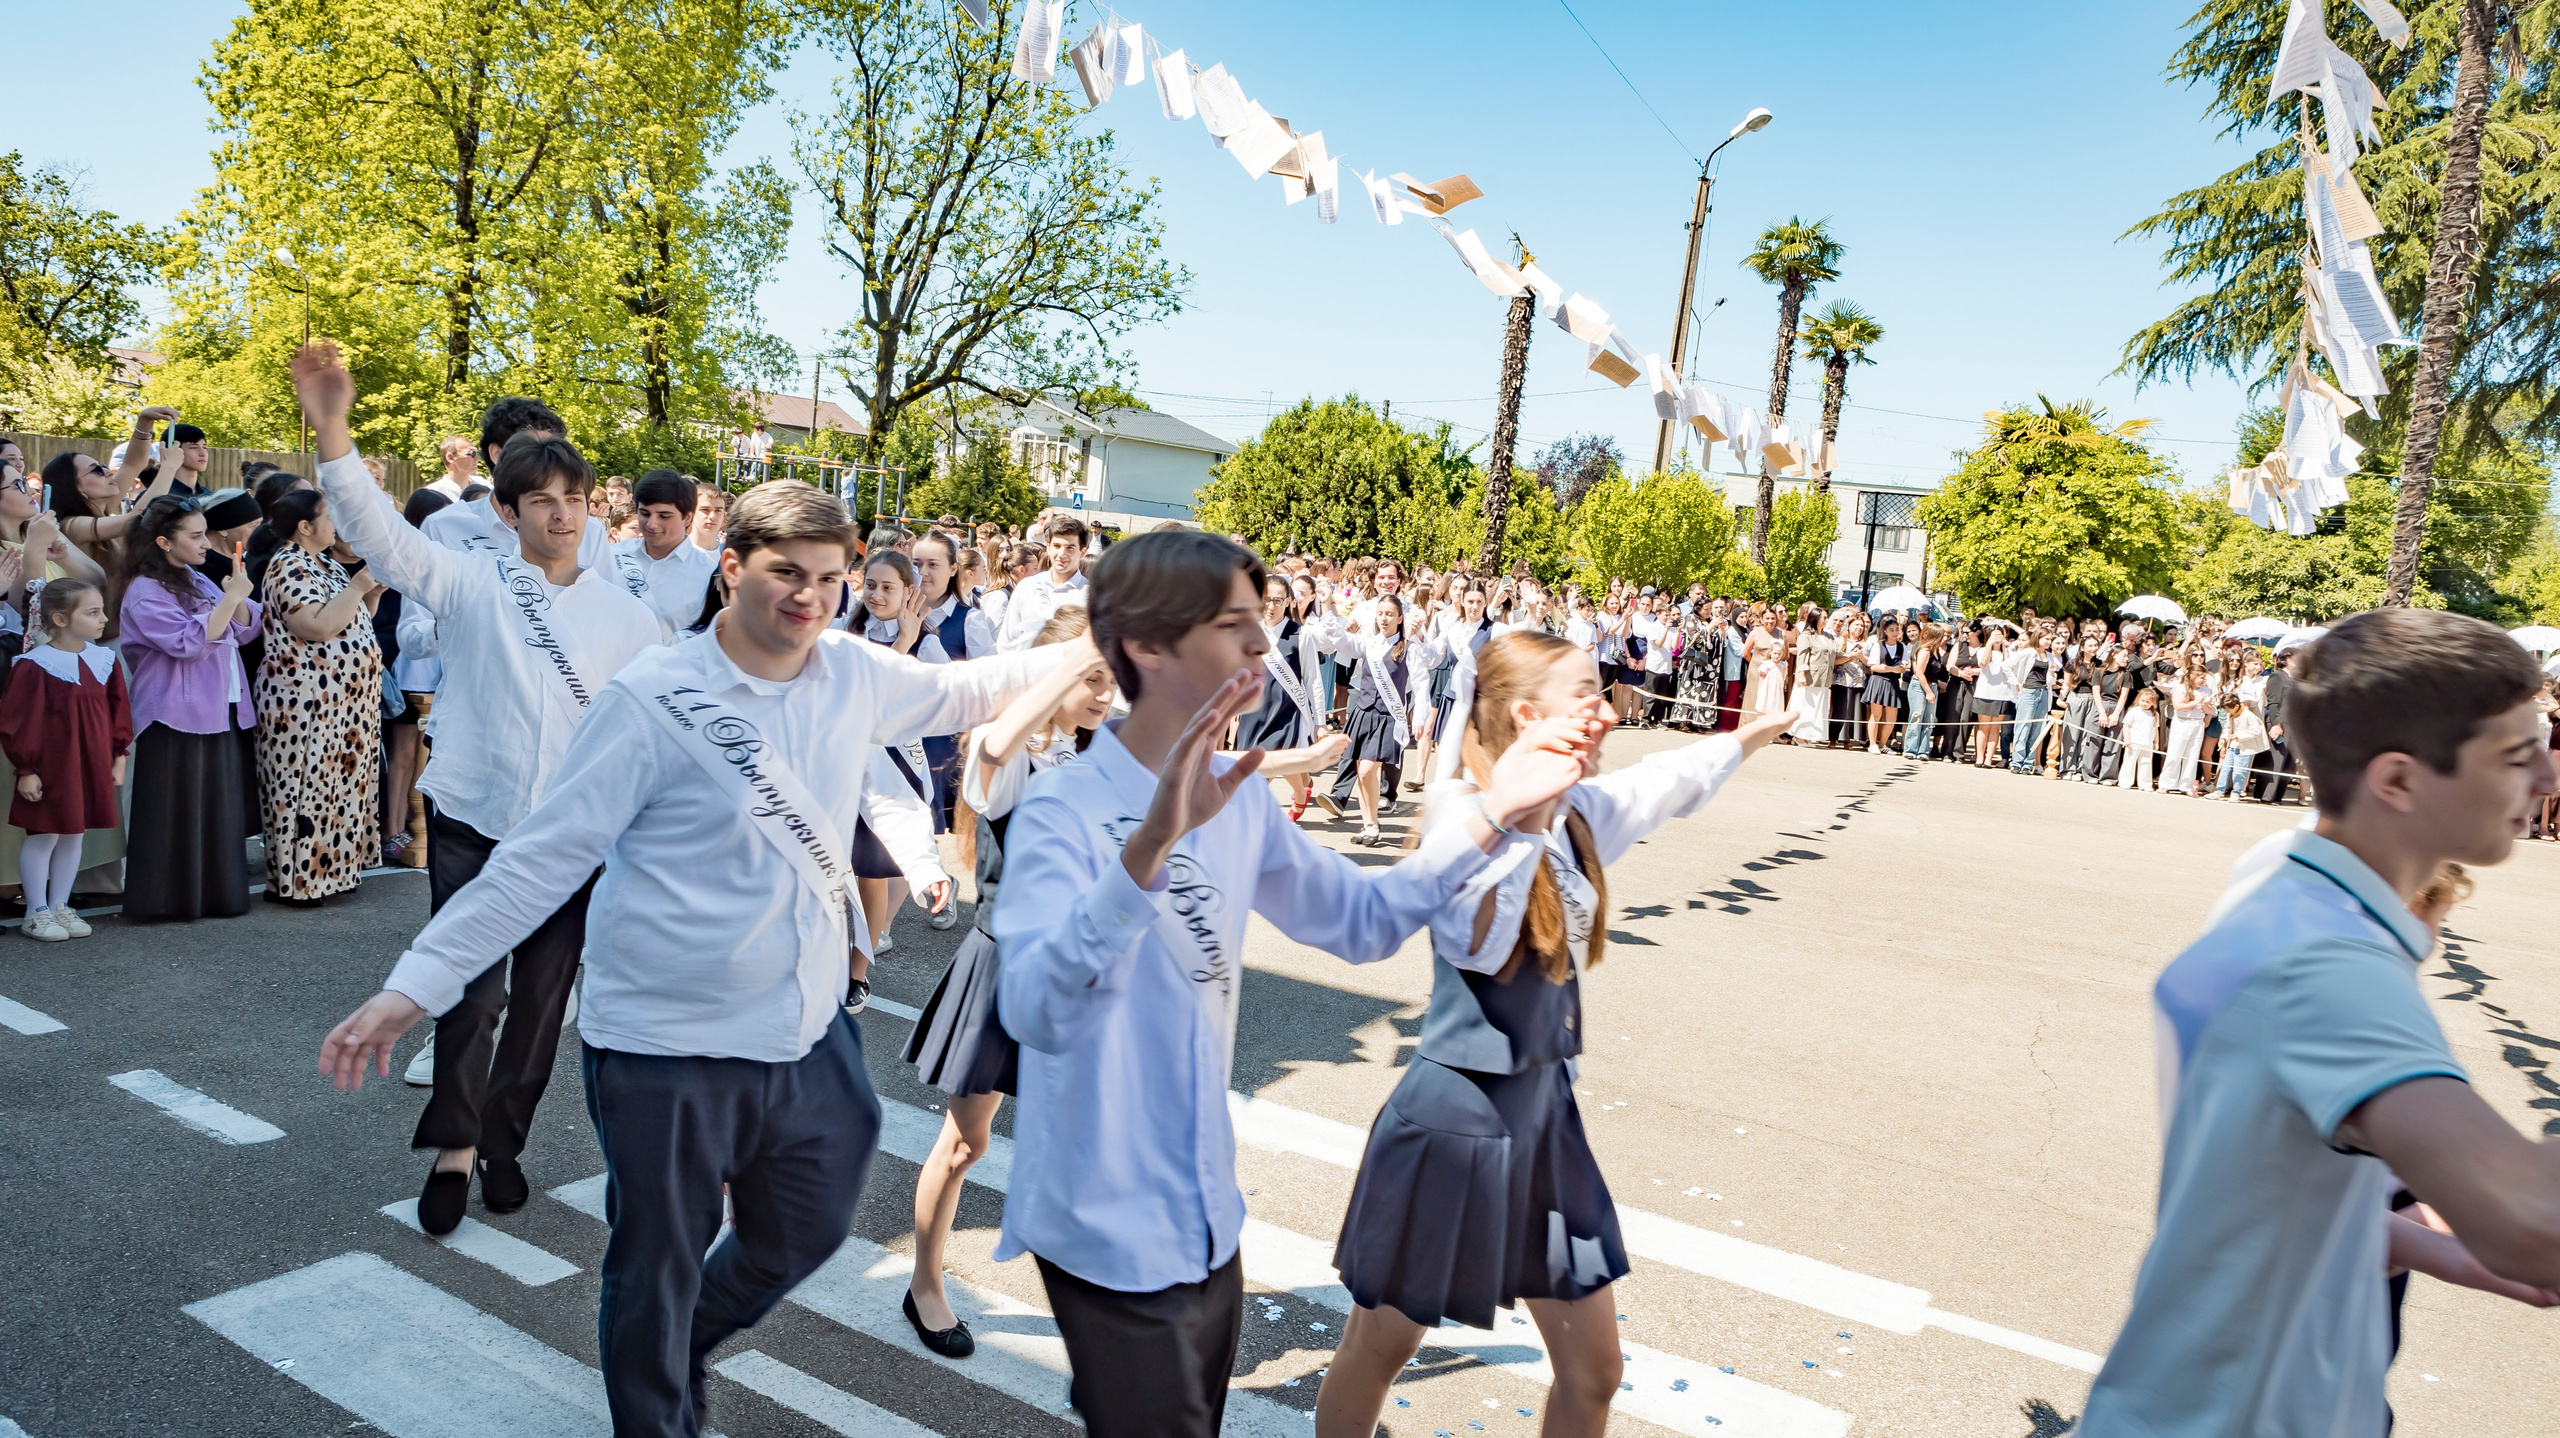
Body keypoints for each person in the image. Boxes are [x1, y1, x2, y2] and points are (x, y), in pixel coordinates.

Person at [320, 476, 1079, 1437]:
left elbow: (968, 688)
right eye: (785, 574)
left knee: (808, 1221)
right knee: (658, 1263)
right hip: (663, 1045)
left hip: (802, 1036)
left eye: (830, 578)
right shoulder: (654, 698)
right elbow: (538, 862)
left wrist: (1101, 640)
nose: (810, 597)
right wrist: (413, 988)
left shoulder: (850, 671)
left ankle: (677, 1344)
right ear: (731, 570)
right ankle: (656, 1406)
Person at [992, 530, 1581, 1438]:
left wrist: (1492, 817)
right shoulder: (1061, 814)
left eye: (1262, 622)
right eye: (1235, 627)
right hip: (1097, 1223)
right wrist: (1146, 852)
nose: (1266, 647)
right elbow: (1031, 1006)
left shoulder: (1241, 798)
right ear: (1147, 646)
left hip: (1205, 1214)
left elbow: (1364, 924)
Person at [2075, 610, 2560, 1436]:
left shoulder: (2296, 904)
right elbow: (2530, 1225)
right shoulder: (2330, 965)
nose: (2548, 777)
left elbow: (2283, 1185)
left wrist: (2437, 1248)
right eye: (2517, 755)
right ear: (2400, 781)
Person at [1317, 635, 1790, 1438]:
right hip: (1455, 1121)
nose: (1607, 712)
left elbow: (1664, 782)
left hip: (1544, 1117)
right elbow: (1478, 934)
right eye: (1587, 697)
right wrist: (1520, 811)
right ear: (1530, 715)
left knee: (1595, 1372)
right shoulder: (1462, 818)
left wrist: (1755, 730)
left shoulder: (1581, 814)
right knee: (1381, 1344)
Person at [294, 342, 661, 1236]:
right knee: (472, 987)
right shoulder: (469, 582)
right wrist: (333, 429)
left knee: (541, 1005)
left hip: (570, 840)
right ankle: (455, 1149)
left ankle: (504, 1144)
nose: (562, 514)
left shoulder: (629, 618)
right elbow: (379, 532)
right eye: (543, 501)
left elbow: (663, 726)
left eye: (575, 500)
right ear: (507, 509)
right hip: (469, 814)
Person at [901, 606, 1111, 1356]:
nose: (1105, 692)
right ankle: (925, 1282)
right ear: (1048, 674)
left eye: (1112, 678)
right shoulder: (1013, 753)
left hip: (1076, 973)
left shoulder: (1096, 752)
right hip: (1007, 969)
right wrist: (1059, 671)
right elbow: (992, 746)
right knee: (965, 1146)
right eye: (1093, 676)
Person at [119, 496, 262, 919]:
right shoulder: (145, 589)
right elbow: (188, 644)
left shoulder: (195, 578)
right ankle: (165, 902)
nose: (205, 543)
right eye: (195, 536)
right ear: (164, 541)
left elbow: (248, 626)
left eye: (204, 534)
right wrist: (229, 599)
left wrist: (235, 595)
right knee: (173, 807)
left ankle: (217, 896)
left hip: (215, 705)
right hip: (172, 711)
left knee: (215, 806)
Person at [252, 488, 386, 902]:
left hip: (346, 704)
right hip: (305, 703)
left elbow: (350, 621)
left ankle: (335, 874)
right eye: (329, 517)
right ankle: (299, 882)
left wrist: (371, 593)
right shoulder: (288, 566)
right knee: (304, 789)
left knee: (340, 789)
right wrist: (359, 583)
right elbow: (314, 626)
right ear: (305, 527)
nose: (336, 526)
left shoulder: (324, 562)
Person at [0, 580, 130, 940]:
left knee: (75, 833)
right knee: (44, 835)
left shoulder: (104, 659)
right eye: (92, 612)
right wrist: (26, 770)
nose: (103, 618)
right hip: (51, 766)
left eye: (102, 609)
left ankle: (59, 904)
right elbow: (18, 722)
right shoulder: (34, 665)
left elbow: (118, 712)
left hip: (89, 763)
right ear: (59, 618)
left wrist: (118, 756)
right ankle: (36, 910)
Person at [419, 395, 610, 568]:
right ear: (498, 454)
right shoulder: (444, 528)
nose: (550, 459)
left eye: (555, 448)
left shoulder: (589, 532)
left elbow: (607, 601)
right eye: (533, 449)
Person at [1339, 596, 1439, 847]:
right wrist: (1332, 610)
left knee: (1366, 770)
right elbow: (1340, 644)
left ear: (1400, 618)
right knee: (1363, 773)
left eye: (1389, 614)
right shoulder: (1369, 642)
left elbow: (1420, 683)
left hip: (1387, 716)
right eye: (1380, 613)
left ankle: (1372, 823)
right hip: (1363, 712)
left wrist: (1420, 717)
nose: (1384, 619)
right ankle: (1369, 825)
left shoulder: (1409, 648)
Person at [605, 469, 718, 640]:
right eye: (645, 514)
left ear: (687, 518)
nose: (652, 524)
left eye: (664, 516)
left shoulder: (708, 573)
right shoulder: (612, 556)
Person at [994, 516, 1090, 651]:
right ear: (1048, 547)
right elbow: (1006, 642)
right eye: (1057, 546)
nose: (1062, 554)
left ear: (1083, 552)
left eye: (1070, 547)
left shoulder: (1091, 595)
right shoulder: (1027, 586)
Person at [2162, 657, 2214, 795]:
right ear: (2193, 676)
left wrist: (2204, 704)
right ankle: (2166, 783)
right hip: (2182, 722)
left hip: (2197, 723)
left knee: (2192, 755)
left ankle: (2186, 785)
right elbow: (2179, 707)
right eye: (2201, 677)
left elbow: (2209, 710)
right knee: (2175, 753)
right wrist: (2196, 701)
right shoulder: (2180, 688)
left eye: (2205, 677)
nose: (2204, 681)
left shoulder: (2205, 689)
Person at [1788, 608, 1839, 746]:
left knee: (1816, 708)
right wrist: (1801, 673)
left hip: (1824, 678)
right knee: (1804, 705)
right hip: (1810, 676)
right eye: (1823, 617)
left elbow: (1834, 655)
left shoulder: (1829, 636)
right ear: (1815, 619)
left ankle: (1809, 736)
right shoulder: (1806, 635)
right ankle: (1799, 735)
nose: (1826, 620)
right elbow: (1802, 656)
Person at [2116, 686, 2162, 793]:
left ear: (2153, 703)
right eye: (2142, 700)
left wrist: (2156, 742)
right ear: (2138, 699)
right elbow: (2126, 725)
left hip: (2147, 743)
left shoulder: (2155, 714)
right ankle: (2125, 781)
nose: (2144, 703)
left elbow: (2156, 729)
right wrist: (2127, 739)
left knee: (2146, 763)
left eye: (2147, 701)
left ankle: (2145, 784)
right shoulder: (2134, 711)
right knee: (2129, 762)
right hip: (2134, 742)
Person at [689, 483, 728, 553]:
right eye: (705, 510)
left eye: (718, 510)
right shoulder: (672, 551)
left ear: (724, 516)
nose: (712, 516)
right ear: (691, 512)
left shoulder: (731, 555)